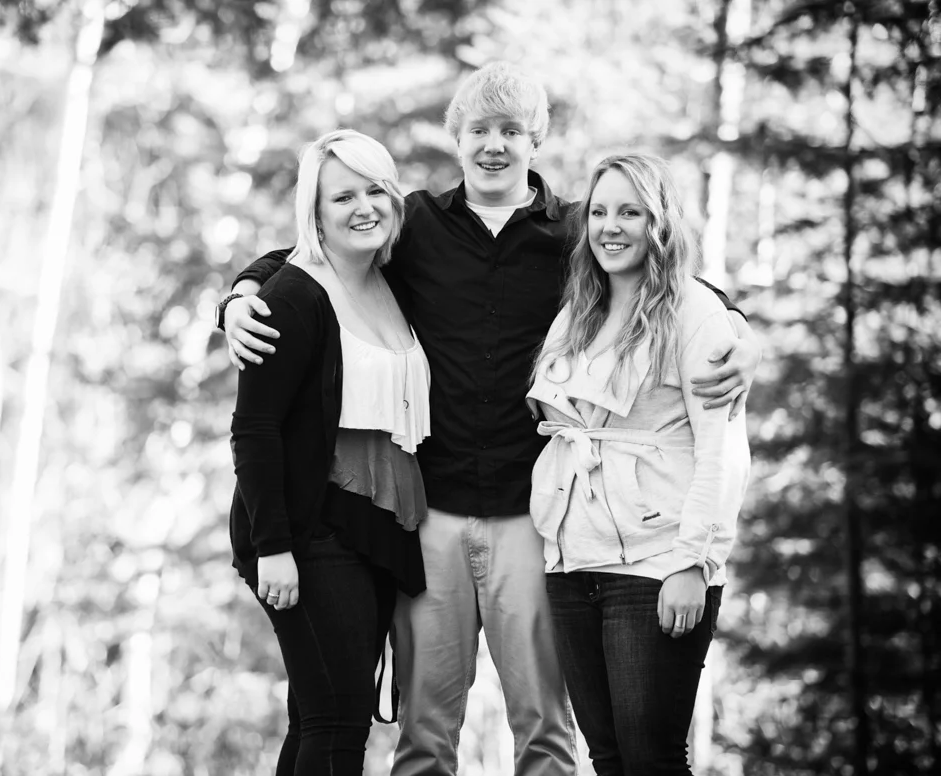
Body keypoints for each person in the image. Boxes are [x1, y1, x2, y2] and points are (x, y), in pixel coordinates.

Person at [220, 63, 761, 776]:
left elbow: (670, 271)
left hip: (531, 517)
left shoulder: (576, 230)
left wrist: (740, 330)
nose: (494, 145)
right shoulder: (413, 224)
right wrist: (241, 293)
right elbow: (314, 250)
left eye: (511, 130)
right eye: (479, 129)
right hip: (429, 515)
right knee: (424, 730)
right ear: (458, 138)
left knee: (544, 728)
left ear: (536, 140)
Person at [526, 153, 751, 775]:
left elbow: (722, 449)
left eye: (630, 212)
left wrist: (694, 562)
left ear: (660, 222)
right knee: (608, 758)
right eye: (599, 212)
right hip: (574, 563)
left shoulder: (694, 312)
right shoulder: (578, 314)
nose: (610, 226)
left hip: (657, 563)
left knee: (652, 759)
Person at [228, 128, 430, 775]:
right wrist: (274, 548)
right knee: (338, 721)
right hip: (307, 532)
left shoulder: (392, 279)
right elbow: (254, 428)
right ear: (314, 212)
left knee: (322, 718)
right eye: (343, 197)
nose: (363, 207)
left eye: (376, 191)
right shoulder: (292, 296)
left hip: (373, 528)